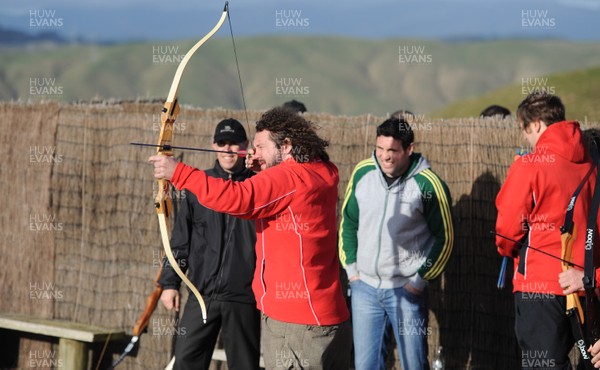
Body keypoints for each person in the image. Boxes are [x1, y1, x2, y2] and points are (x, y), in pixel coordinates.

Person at [150, 107, 351, 369]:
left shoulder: (289, 178)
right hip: (326, 316)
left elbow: (237, 198)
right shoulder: (322, 170)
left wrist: (179, 173)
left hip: (295, 323)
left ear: (286, 146)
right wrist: (266, 169)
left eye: (259, 147)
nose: (254, 154)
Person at [339, 117, 455, 370]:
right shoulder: (363, 173)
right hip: (364, 290)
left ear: (409, 149)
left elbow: (446, 239)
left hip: (406, 291)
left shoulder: (429, 185)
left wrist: (418, 281)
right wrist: (353, 272)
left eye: (392, 150)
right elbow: (348, 222)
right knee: (365, 366)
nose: (385, 157)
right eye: (380, 149)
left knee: (414, 364)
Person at [495, 92, 600, 368]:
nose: (526, 138)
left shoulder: (529, 165)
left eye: (524, 129)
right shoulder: (593, 165)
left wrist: (507, 250)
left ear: (537, 124)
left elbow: (507, 230)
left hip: (539, 288)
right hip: (584, 285)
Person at [158, 118, 260, 370]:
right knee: (186, 360)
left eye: (235, 144)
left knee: (245, 365)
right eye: (222, 143)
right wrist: (170, 283)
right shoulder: (198, 185)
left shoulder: (258, 185)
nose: (228, 150)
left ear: (246, 146)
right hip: (201, 291)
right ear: (213, 145)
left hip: (244, 295)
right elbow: (181, 240)